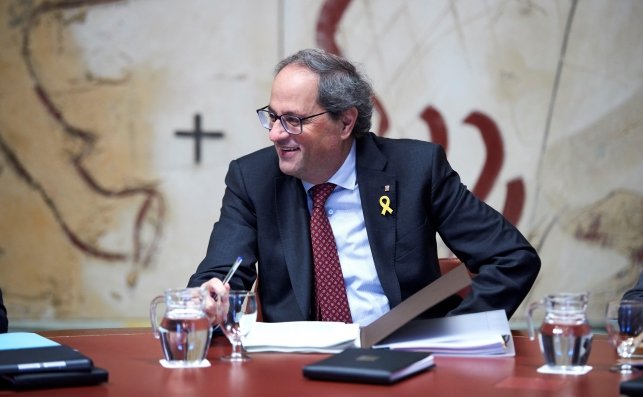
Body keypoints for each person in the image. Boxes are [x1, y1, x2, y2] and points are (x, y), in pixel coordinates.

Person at [187, 48, 540, 327]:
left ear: (345, 122)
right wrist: (209, 296)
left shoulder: (415, 170)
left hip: (407, 362)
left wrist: (454, 335)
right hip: (296, 368)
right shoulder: (253, 179)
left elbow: (511, 259)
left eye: (293, 120)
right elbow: (220, 274)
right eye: (273, 116)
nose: (276, 133)